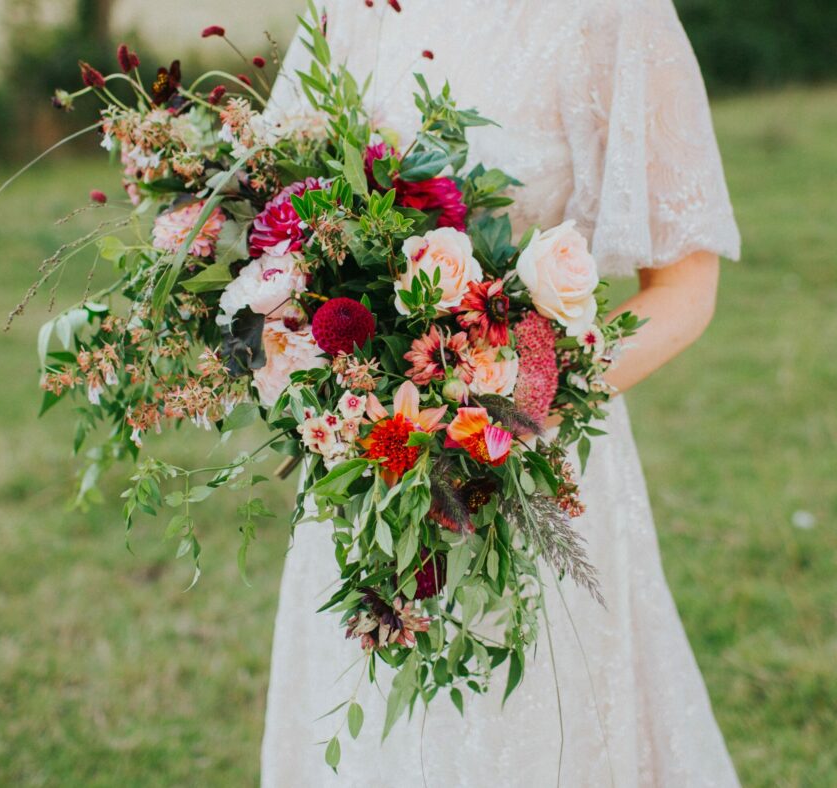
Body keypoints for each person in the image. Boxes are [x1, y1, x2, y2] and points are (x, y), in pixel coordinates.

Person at [261, 1, 742, 784]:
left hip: (525, 470)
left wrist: (512, 401)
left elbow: (686, 289)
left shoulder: (616, 19)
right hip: (366, 468)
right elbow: (281, 206)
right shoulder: (351, 8)